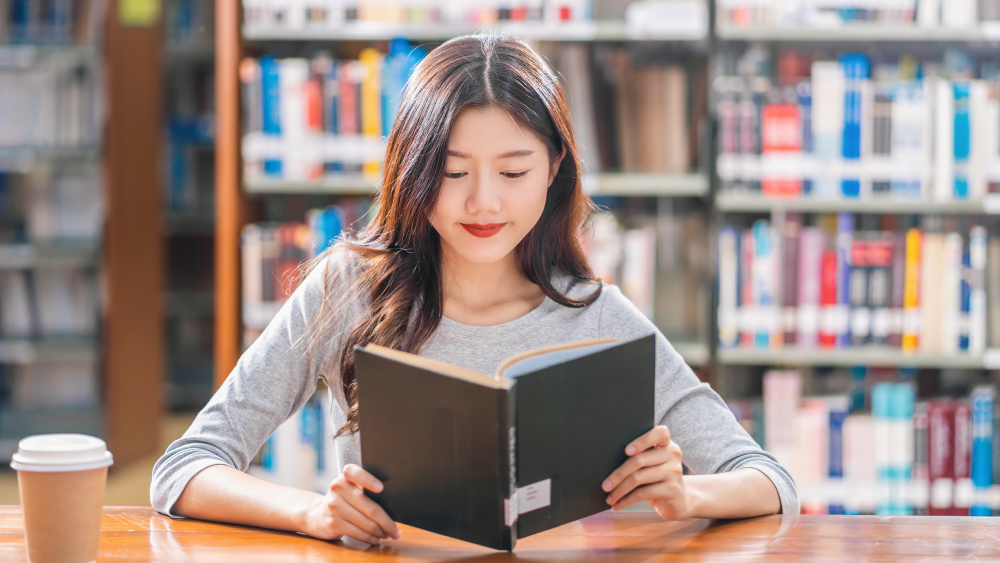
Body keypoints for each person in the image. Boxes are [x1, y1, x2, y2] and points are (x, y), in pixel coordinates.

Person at [151, 33, 798, 545]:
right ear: (412, 173)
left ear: (553, 170)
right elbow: (183, 466)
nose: (483, 201)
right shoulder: (349, 287)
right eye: (452, 171)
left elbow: (770, 480)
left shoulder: (597, 311)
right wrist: (312, 512)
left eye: (513, 170)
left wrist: (687, 495)